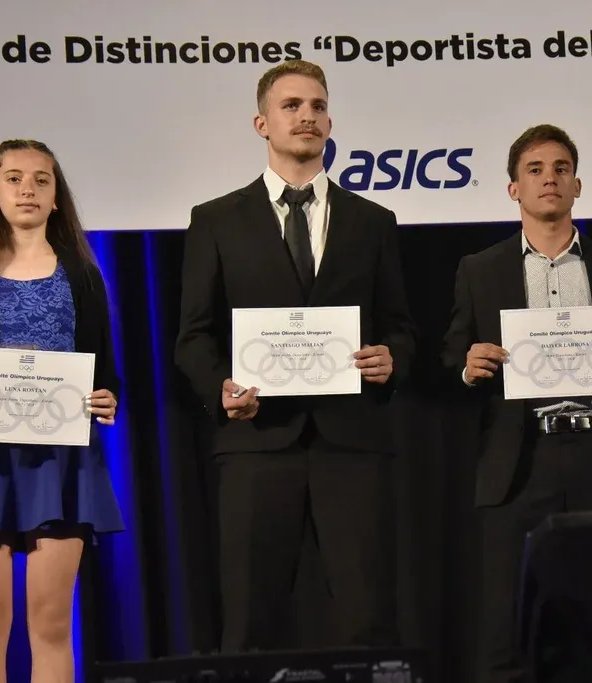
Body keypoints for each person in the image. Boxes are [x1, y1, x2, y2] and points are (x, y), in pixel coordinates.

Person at [174, 60, 416, 652]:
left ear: (330, 122)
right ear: (262, 123)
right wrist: (221, 388)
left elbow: (401, 328)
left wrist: (392, 359)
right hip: (256, 442)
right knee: (250, 623)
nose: (307, 116)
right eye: (291, 106)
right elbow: (193, 336)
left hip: (352, 443)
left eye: (317, 106)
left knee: (368, 620)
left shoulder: (373, 221)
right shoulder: (215, 220)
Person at [440, 124, 592, 683]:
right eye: (535, 170)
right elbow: (450, 359)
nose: (550, 179)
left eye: (561, 169)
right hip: (520, 463)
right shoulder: (480, 269)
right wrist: (468, 366)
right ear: (513, 189)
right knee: (508, 625)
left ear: (577, 185)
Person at [0, 139, 124, 683]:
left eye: (42, 180)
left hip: (60, 458)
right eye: (14, 178)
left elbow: (104, 370)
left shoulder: (82, 274)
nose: (28, 189)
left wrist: (107, 396)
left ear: (56, 196)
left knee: (51, 625)